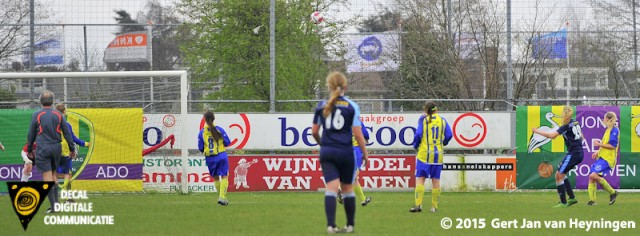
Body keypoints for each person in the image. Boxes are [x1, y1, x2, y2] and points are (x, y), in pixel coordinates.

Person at [312, 71, 368, 234]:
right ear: (345, 86)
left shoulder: (322, 105)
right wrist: (365, 153)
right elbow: (358, 135)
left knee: (331, 188)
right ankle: (350, 225)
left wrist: (323, 144)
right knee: (347, 188)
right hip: (345, 151)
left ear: (329, 86)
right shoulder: (352, 106)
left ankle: (331, 226)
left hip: (328, 151)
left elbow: (314, 132)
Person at [26, 90, 76, 213]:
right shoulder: (58, 114)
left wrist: (29, 148)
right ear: (52, 101)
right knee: (53, 175)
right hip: (56, 148)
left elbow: (31, 133)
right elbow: (67, 133)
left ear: (40, 101)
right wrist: (72, 148)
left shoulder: (36, 114)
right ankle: (56, 205)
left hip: (43, 147)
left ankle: (54, 207)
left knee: (47, 177)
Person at [532, 105, 583, 208]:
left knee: (558, 176)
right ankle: (572, 198)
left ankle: (563, 202)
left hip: (573, 154)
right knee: (561, 173)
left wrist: (537, 131)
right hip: (578, 152)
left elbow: (551, 136)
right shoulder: (575, 122)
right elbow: (582, 137)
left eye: (563, 113)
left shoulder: (566, 126)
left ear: (564, 114)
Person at [410, 101, 452, 213]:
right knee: (436, 181)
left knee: (420, 179)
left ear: (426, 110)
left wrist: (415, 145)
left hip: (424, 155)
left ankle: (418, 205)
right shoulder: (442, 120)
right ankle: (434, 207)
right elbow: (449, 135)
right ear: (436, 109)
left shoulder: (423, 120)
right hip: (438, 155)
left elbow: (418, 134)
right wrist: (444, 142)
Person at [55, 104, 90, 201]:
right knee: (68, 174)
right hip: (65, 151)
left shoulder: (51, 124)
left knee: (55, 174)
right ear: (64, 112)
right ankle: (67, 196)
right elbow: (73, 138)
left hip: (54, 151)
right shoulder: (66, 124)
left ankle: (64, 198)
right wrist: (86, 144)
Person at [197, 111, 231, 205]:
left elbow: (200, 148)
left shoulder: (202, 133)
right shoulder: (219, 129)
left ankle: (222, 197)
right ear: (213, 118)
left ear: (205, 119)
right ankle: (222, 197)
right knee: (224, 175)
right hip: (221, 155)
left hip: (210, 158)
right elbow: (228, 142)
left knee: (216, 178)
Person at [588, 111, 619, 206]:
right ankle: (592, 201)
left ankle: (613, 192)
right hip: (602, 158)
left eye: (605, 118)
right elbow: (606, 145)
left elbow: (613, 146)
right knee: (591, 177)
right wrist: (598, 152)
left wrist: (599, 144)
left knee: (593, 175)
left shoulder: (614, 130)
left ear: (609, 119)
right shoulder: (608, 130)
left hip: (608, 159)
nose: (603, 120)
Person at [338, 124, 372, 206]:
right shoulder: (358, 121)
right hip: (356, 151)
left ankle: (363, 199)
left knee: (354, 178)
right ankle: (340, 190)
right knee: (354, 175)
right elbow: (366, 136)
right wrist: (365, 152)